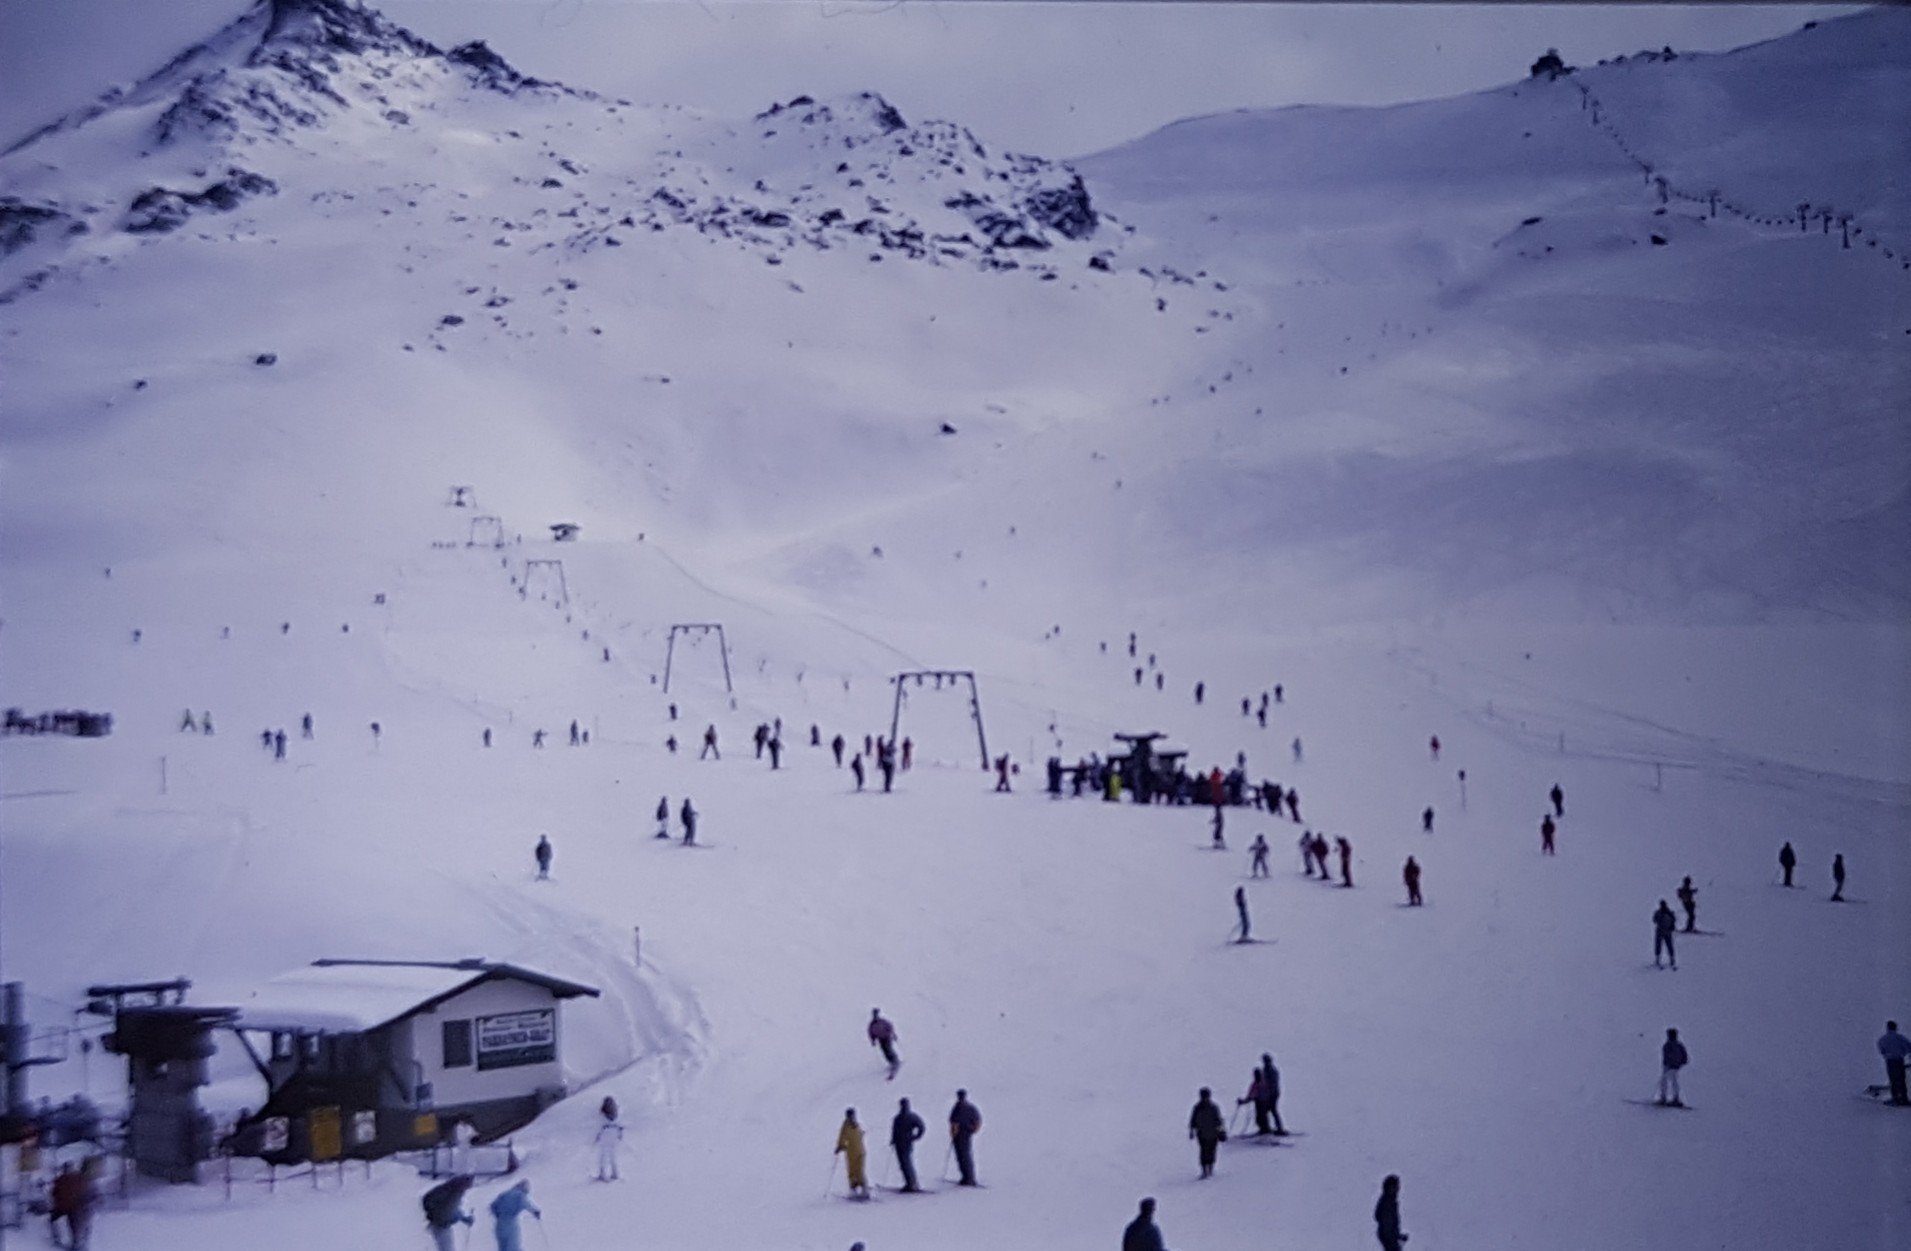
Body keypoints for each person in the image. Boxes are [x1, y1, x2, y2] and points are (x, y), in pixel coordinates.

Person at [421, 1173, 476, 1251]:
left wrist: (464, 1219)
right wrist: (434, 1214)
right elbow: (428, 1200)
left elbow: (453, 1209)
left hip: (444, 1224)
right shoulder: (450, 1191)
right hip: (440, 1224)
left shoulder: (454, 1191)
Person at [488, 1179, 541, 1251]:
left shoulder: (504, 1194)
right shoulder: (520, 1195)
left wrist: (498, 1215)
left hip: (500, 1225)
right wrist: (536, 1211)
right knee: (514, 1246)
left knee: (503, 1247)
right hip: (512, 1224)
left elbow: (492, 1206)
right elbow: (527, 1204)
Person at [1187, 1087, 1225, 1178]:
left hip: (1213, 1133)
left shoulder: (1213, 1108)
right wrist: (1191, 1131)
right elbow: (1193, 1120)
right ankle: (1204, 1171)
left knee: (1211, 1151)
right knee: (1204, 1151)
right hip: (1202, 1134)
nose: (1205, 1098)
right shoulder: (1197, 1108)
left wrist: (1221, 1131)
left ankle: (1210, 1169)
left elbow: (1218, 1120)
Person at [891, 1097, 925, 1191]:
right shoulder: (902, 1117)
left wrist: (916, 1137)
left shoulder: (903, 1117)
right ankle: (910, 1183)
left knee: (906, 1163)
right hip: (902, 1143)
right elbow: (895, 1130)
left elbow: (921, 1127)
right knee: (904, 1164)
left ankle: (912, 1184)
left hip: (904, 1143)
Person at [948, 1089, 982, 1185]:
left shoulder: (958, 1107)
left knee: (963, 1156)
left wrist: (954, 1132)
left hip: (961, 1134)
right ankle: (967, 1177)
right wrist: (973, 1130)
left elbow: (953, 1121)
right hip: (964, 1134)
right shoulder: (970, 1107)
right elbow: (977, 1120)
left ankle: (969, 1178)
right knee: (964, 1156)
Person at [835, 1108, 870, 1199]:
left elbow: (861, 1134)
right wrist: (840, 1146)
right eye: (849, 1116)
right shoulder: (846, 1126)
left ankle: (864, 1189)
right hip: (851, 1152)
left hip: (860, 1151)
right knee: (852, 1171)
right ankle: (854, 1189)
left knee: (860, 1170)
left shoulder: (857, 1124)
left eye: (852, 1115)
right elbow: (842, 1137)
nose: (851, 1117)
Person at [1878, 1021, 1911, 1105]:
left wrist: (1886, 1054)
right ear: (1895, 1028)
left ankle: (1895, 1098)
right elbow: (1909, 1047)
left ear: (1888, 1028)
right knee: (1901, 1079)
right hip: (1899, 1060)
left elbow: (1882, 1050)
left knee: (1893, 1079)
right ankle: (1903, 1098)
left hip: (1890, 1061)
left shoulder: (1883, 1039)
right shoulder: (1900, 1038)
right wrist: (1903, 1053)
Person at [1374, 1174, 1406, 1251]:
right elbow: (1387, 1225)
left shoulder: (1391, 1202)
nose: (1396, 1189)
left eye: (1397, 1187)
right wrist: (1392, 1240)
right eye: (1393, 1187)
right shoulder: (1387, 1203)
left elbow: (1392, 1223)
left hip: (1390, 1239)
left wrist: (1398, 1236)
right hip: (1389, 1240)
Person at [1657, 1028, 1688, 1106]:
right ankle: (1664, 1097)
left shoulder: (1677, 1045)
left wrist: (1681, 1062)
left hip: (1674, 1067)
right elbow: (1665, 1056)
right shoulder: (1667, 1045)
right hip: (1668, 1066)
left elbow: (1684, 1056)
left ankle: (1675, 1098)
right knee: (1665, 1081)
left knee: (1672, 1082)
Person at [868, 1009, 901, 1079]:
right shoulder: (872, 1024)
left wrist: (893, 1035)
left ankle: (895, 1061)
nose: (875, 1016)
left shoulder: (882, 1021)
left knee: (889, 1049)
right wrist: (873, 1040)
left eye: (876, 1015)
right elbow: (871, 1033)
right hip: (880, 1039)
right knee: (884, 1052)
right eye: (874, 1015)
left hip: (887, 1037)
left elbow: (890, 1027)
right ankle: (891, 1062)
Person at [1257, 1053, 1285, 1134]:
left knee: (1273, 1110)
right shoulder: (1264, 1070)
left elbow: (1273, 1084)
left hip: (1273, 1094)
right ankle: (1266, 1127)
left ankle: (1279, 1128)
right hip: (1267, 1094)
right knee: (1265, 1111)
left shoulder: (1272, 1071)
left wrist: (1269, 1095)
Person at [594, 1109, 624, 1181]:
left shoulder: (602, 1113)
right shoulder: (616, 1113)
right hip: (614, 1133)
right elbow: (620, 1125)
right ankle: (615, 1173)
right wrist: (620, 1135)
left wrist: (597, 1136)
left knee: (604, 1155)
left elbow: (599, 1124)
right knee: (613, 1155)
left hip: (605, 1134)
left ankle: (603, 1174)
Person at [1653, 900, 1677, 969]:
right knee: (1665, 946)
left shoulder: (1663, 913)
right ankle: (1669, 959)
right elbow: (1655, 920)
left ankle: (1668, 959)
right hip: (1664, 932)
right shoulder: (1667, 913)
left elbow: (1654, 920)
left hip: (1662, 932)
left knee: (1665, 946)